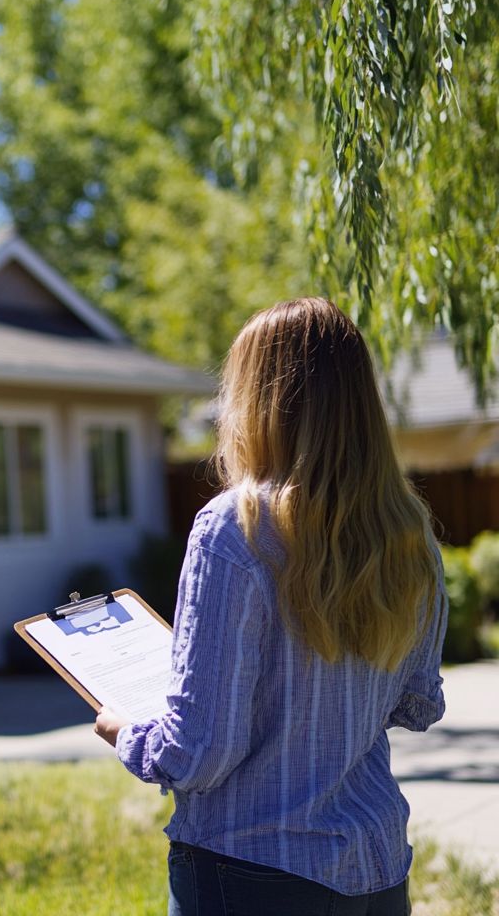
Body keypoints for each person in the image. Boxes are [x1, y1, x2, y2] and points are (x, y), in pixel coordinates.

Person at [94, 297, 448, 915]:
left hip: (253, 869)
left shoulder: (233, 529)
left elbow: (197, 754)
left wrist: (126, 732)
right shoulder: (408, 528)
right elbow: (418, 702)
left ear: (257, 401)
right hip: (377, 867)